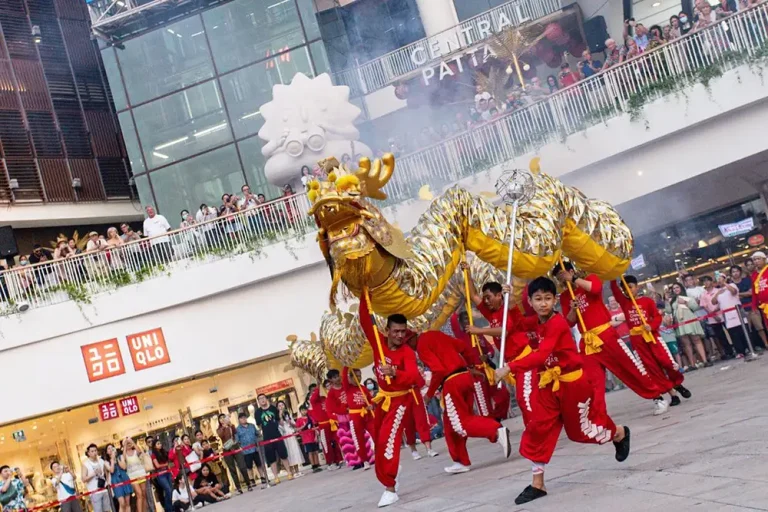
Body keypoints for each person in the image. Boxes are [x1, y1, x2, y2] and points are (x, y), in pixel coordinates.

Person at [495, 277, 630, 505]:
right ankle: (538, 483)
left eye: (547, 298)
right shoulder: (536, 321)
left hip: (572, 385)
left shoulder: (556, 323)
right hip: (549, 385)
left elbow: (540, 354)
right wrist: (508, 301)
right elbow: (516, 324)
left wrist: (510, 367)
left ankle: (619, 433)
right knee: (539, 427)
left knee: (581, 432)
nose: (543, 303)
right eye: (538, 299)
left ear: (554, 299)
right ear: (531, 301)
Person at [554, 260, 667, 416]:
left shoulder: (590, 279)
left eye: (562, 275)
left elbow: (596, 289)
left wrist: (573, 280)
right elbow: (569, 321)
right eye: (558, 278)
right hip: (587, 342)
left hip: (606, 336)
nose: (561, 280)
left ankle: (657, 396)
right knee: (592, 380)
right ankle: (598, 414)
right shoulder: (566, 296)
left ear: (571, 272)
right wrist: (573, 310)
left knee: (629, 369)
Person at [359, 291, 425, 508]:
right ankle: (390, 469)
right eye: (395, 331)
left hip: (400, 401)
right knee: (379, 441)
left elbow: (416, 378)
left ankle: (390, 487)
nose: (399, 335)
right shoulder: (378, 342)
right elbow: (364, 320)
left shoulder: (406, 352)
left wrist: (396, 372)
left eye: (402, 331)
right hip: (382, 401)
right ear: (386, 330)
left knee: (388, 440)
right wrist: (363, 291)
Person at [415, 330, 512, 474]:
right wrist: (471, 366)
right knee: (449, 424)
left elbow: (439, 370)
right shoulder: (436, 335)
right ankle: (460, 461)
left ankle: (495, 431)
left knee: (460, 423)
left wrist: (429, 394)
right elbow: (463, 346)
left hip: (451, 382)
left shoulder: (421, 345)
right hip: (465, 377)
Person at [610, 277, 691, 409]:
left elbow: (657, 317)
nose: (627, 290)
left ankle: (677, 383)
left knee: (666, 362)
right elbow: (615, 290)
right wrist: (612, 276)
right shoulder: (624, 302)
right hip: (638, 341)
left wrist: (651, 326)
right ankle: (672, 393)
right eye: (624, 288)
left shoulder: (647, 301)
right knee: (652, 368)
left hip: (652, 337)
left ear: (637, 287)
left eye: (630, 286)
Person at [665, 282, 708, 370]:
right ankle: (692, 364)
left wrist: (685, 303)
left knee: (696, 340)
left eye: (677, 287)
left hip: (690, 320)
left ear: (681, 288)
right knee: (686, 344)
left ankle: (705, 361)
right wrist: (666, 301)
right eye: (674, 288)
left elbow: (695, 307)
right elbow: (669, 311)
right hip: (680, 323)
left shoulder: (688, 297)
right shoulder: (673, 300)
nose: (676, 289)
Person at [712, 273, 754, 357]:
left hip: (737, 312)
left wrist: (725, 283)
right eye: (718, 279)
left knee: (743, 331)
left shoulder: (732, 285)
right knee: (733, 334)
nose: (719, 280)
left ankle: (749, 348)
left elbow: (734, 292)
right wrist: (718, 293)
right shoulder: (718, 291)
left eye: (721, 278)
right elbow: (713, 302)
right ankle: (740, 351)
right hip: (727, 316)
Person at [341, 367, 375, 470]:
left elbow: (371, 400)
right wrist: (346, 365)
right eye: (356, 376)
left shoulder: (363, 388)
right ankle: (365, 461)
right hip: (355, 417)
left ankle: (380, 455)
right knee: (359, 439)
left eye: (359, 375)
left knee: (375, 433)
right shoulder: (348, 388)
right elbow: (344, 376)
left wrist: (371, 405)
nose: (358, 378)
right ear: (350, 378)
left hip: (367, 415)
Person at [254, 394, 292, 483]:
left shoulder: (273, 408)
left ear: (266, 399)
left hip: (277, 435)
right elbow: (259, 425)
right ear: (258, 402)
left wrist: (281, 414)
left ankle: (289, 472)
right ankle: (276, 477)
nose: (262, 400)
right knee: (271, 458)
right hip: (267, 437)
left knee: (283, 454)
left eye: (263, 398)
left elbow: (280, 421)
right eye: (260, 399)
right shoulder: (258, 412)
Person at [699, 275, 736, 359]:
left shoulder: (718, 290)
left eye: (708, 280)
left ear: (712, 282)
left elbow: (722, 301)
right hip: (712, 318)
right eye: (704, 281)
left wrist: (717, 310)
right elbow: (705, 307)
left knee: (731, 332)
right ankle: (728, 352)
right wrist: (714, 315)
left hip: (724, 314)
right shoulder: (703, 294)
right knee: (720, 336)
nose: (706, 282)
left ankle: (736, 348)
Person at [308, 383, 343, 469]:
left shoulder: (324, 398)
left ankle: (338, 459)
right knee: (326, 444)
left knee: (335, 441)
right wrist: (318, 383)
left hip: (331, 423)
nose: (316, 391)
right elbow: (315, 395)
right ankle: (330, 462)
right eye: (313, 390)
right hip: (323, 425)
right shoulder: (313, 401)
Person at [734, 264, 767, 350]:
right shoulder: (732, 285)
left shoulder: (747, 280)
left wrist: (738, 294)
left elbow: (750, 293)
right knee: (748, 330)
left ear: (740, 272)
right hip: (741, 309)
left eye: (737, 271)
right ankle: (753, 347)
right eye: (733, 272)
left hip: (752, 306)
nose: (735, 273)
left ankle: (766, 343)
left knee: (760, 327)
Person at [215, 414, 251, 493]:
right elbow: (221, 436)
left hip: (235, 447)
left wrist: (230, 425)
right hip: (226, 449)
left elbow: (235, 433)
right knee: (232, 469)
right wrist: (224, 427)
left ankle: (248, 484)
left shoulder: (231, 426)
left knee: (242, 466)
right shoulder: (219, 429)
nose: (222, 419)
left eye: (223, 417)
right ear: (219, 421)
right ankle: (238, 488)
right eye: (220, 418)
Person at [276, 401, 305, 476]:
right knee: (288, 453)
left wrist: (290, 422)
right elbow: (281, 425)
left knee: (294, 451)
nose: (281, 406)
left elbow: (294, 425)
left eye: (282, 405)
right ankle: (292, 471)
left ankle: (297, 470)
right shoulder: (277, 416)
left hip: (291, 433)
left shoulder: (288, 414)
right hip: (284, 435)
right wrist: (280, 414)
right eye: (279, 405)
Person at [82, 443, 112, 512]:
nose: (94, 452)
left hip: (104, 489)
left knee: (107, 510)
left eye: (95, 450)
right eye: (92, 451)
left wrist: (107, 482)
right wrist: (93, 474)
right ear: (88, 453)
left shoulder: (101, 461)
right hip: (94, 492)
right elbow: (83, 479)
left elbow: (106, 473)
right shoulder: (85, 464)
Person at [121, 438, 148, 512]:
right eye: (126, 443)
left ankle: (144, 510)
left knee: (143, 494)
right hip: (132, 476)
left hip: (141, 473)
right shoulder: (124, 454)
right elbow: (123, 459)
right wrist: (125, 444)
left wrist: (132, 441)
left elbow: (139, 451)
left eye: (129, 443)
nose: (128, 444)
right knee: (139, 494)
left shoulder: (135, 451)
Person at [234, 413, 260, 489]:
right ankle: (252, 480)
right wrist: (240, 447)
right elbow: (237, 440)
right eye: (241, 418)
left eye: (244, 417)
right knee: (249, 467)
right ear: (239, 419)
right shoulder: (237, 429)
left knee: (259, 464)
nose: (243, 419)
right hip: (246, 451)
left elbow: (257, 434)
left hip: (255, 448)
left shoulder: (252, 426)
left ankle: (262, 477)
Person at [295, 406, 322, 473]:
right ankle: (313, 466)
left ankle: (317, 464)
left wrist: (316, 436)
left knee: (315, 451)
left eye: (305, 410)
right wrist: (303, 426)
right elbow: (297, 429)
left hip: (313, 437)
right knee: (310, 452)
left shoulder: (310, 418)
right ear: (300, 411)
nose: (304, 412)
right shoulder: (299, 420)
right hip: (306, 439)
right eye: (302, 410)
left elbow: (314, 427)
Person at [105, 444, 132, 512]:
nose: (111, 449)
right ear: (107, 452)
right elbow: (112, 470)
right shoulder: (106, 462)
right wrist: (112, 459)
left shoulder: (120, 457)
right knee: (122, 503)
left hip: (124, 478)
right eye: (109, 448)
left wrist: (116, 458)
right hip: (116, 481)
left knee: (127, 503)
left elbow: (124, 467)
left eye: (112, 447)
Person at [151, 440, 175, 512]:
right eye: (158, 444)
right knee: (168, 490)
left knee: (170, 490)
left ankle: (169, 508)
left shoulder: (163, 452)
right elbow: (157, 466)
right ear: (154, 446)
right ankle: (168, 508)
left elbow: (168, 462)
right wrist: (165, 464)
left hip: (167, 473)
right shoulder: (153, 454)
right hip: (160, 474)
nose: (160, 445)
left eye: (160, 443)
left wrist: (170, 470)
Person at [751, 251, 768, 346]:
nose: (756, 261)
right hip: (764, 305)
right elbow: (754, 291)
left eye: (758, 259)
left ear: (764, 259)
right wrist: (754, 306)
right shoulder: (754, 275)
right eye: (754, 259)